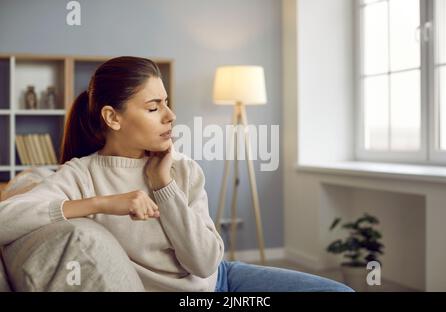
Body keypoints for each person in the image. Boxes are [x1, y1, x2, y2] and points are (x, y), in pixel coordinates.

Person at [0, 56, 353, 292]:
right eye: (154, 107)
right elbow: (6, 217)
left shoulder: (180, 168)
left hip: (220, 281)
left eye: (166, 102)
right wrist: (104, 203)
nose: (170, 116)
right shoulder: (80, 175)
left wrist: (163, 186)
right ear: (112, 118)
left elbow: (203, 263)